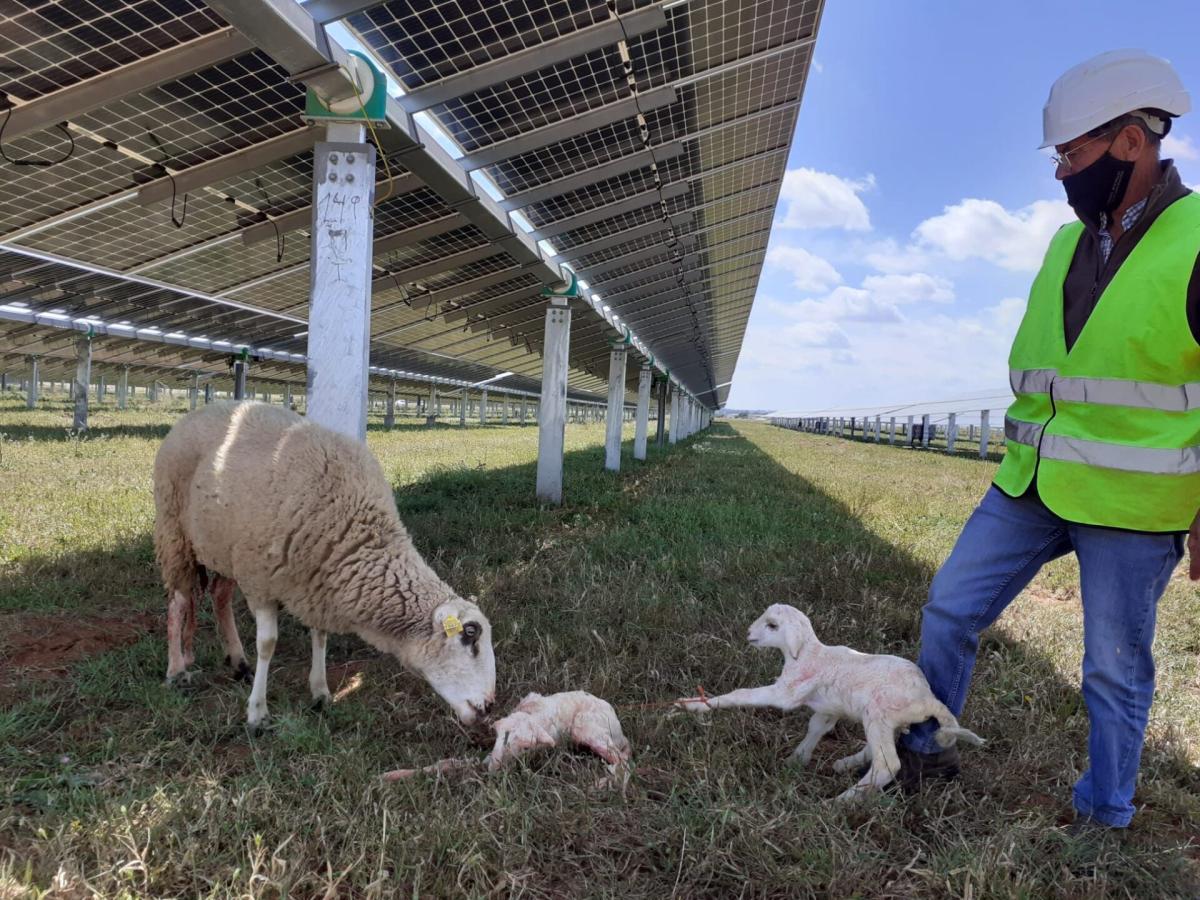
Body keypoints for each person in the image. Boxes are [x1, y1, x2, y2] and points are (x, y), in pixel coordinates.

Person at [896, 49, 1199, 834]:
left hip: (1132, 503)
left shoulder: (1198, 240)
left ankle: (1105, 816)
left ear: (1131, 142)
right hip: (1029, 482)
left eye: (1073, 153)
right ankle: (924, 750)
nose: (1062, 171)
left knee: (1112, 671)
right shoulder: (1065, 246)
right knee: (948, 610)